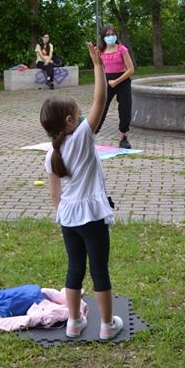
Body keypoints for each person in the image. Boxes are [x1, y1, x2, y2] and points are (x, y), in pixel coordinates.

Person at [40, 41, 123, 341]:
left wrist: (63, 214)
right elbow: (100, 101)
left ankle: (73, 323)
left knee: (75, 268)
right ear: (70, 120)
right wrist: (98, 65)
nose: (82, 114)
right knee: (99, 269)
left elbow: (54, 196)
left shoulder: (51, 154)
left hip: (68, 217)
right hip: (91, 215)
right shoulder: (83, 137)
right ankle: (106, 325)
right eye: (78, 112)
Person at [95, 24, 135, 150]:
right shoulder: (100, 52)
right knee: (101, 108)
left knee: (125, 108)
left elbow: (131, 69)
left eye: (112, 34)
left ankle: (123, 137)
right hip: (107, 81)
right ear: (103, 37)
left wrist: (117, 81)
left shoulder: (122, 49)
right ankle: (91, 135)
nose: (110, 37)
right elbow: (98, 68)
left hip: (122, 80)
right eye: (107, 35)